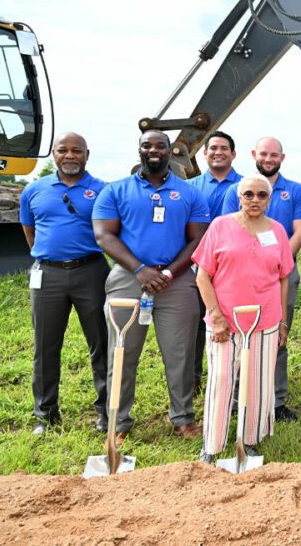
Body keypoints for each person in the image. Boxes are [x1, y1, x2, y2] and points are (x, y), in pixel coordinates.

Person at [92, 130, 210, 443]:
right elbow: (105, 236)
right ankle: (118, 420)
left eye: (160, 145)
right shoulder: (115, 191)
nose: (154, 150)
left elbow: (198, 238)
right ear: (139, 150)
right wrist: (141, 270)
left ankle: (183, 419)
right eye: (147, 145)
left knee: (180, 355)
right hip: (128, 280)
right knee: (122, 352)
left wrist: (169, 273)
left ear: (171, 151)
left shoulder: (188, 193)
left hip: (177, 281)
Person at [192, 173, 295, 464]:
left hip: (265, 323)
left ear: (269, 199)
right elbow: (203, 275)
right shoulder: (220, 226)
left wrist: (283, 321)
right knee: (221, 381)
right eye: (248, 194)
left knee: (259, 384)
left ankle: (250, 441)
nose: (254, 200)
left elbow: (284, 278)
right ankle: (211, 446)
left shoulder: (276, 231)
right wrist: (216, 316)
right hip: (225, 322)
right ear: (239, 196)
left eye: (262, 195)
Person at [20, 132, 109, 435]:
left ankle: (106, 412)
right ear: (54, 154)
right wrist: (51, 255)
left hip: (91, 272)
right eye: (63, 150)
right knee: (45, 346)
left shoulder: (101, 191)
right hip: (48, 275)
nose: (70, 155)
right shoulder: (33, 190)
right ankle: (45, 415)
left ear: (87, 153)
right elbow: (30, 231)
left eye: (76, 151)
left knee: (101, 343)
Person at [222, 136, 301, 422]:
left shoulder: (295, 190)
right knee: (237, 335)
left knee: (277, 334)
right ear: (253, 155)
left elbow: (299, 232)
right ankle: (235, 398)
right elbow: (227, 232)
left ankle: (275, 399)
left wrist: (278, 264)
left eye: (274, 155)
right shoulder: (239, 189)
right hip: (240, 277)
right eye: (264, 154)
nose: (269, 159)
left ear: (282, 157)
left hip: (281, 275)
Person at [187, 130, 241, 394]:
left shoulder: (246, 186)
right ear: (204, 153)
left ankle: (234, 378)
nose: (218, 152)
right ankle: (195, 377)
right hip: (201, 267)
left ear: (233, 154)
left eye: (224, 148)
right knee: (198, 321)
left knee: (234, 321)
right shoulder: (191, 187)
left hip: (236, 269)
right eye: (213, 148)